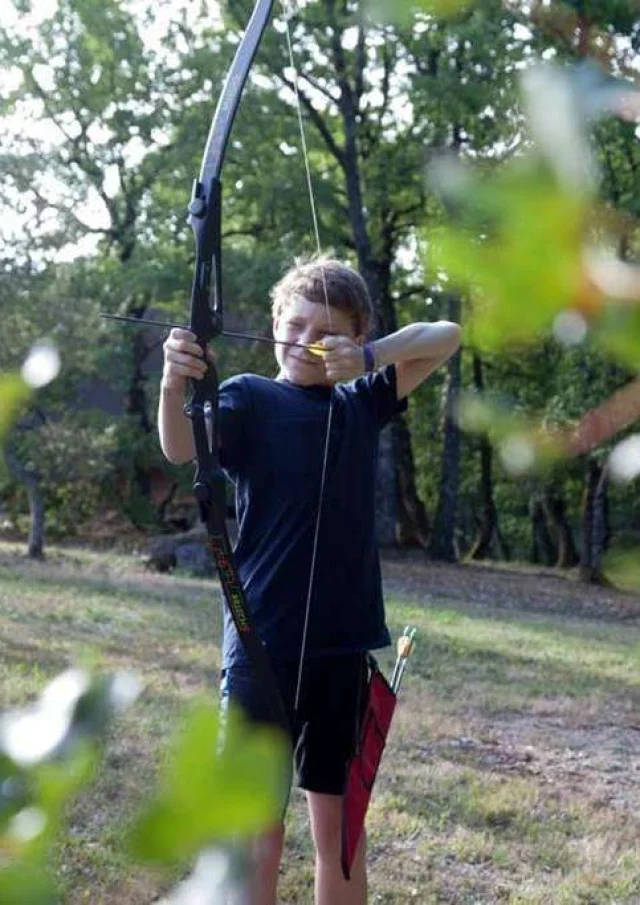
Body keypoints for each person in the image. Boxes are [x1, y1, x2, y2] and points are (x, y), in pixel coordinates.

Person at [158, 257, 461, 905]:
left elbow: (449, 334)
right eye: (294, 325)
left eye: (327, 331)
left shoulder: (363, 400)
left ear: (355, 336)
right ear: (273, 325)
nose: (306, 340)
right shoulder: (246, 397)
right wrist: (171, 380)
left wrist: (371, 355)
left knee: (342, 836)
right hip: (260, 648)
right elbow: (181, 446)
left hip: (343, 650)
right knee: (253, 835)